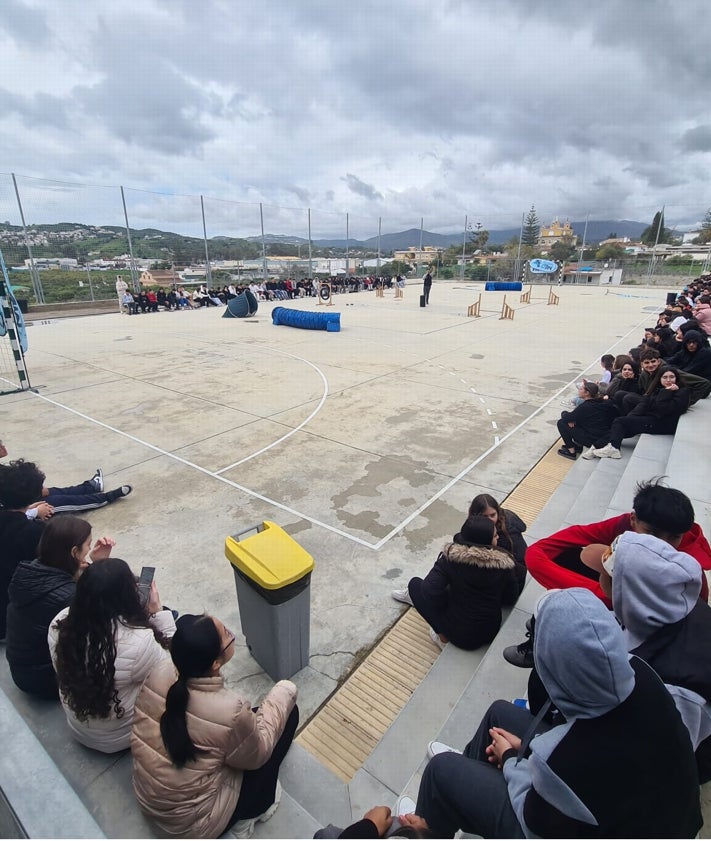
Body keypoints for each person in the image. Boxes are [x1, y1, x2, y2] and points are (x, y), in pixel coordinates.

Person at [414, 588, 702, 838]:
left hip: (557, 821)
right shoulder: (643, 673)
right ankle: (465, 785)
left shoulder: (562, 759)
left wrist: (514, 760)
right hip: (656, 815)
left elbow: (536, 824)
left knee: (441, 770)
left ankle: (424, 830)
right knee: (499, 713)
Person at [504, 478, 711, 667]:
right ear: (633, 519)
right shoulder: (624, 526)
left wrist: (591, 598)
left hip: (648, 638)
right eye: (651, 533)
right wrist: (598, 594)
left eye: (674, 537)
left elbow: (687, 626)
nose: (661, 545)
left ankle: (547, 639)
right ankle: (545, 627)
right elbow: (540, 551)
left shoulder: (691, 575)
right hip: (617, 602)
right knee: (567, 559)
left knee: (559, 607)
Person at [131, 614, 298, 839]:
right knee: (287, 717)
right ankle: (251, 814)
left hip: (151, 801)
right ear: (215, 663)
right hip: (193, 824)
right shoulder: (230, 710)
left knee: (246, 732)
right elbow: (258, 755)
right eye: (227, 635)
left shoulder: (159, 671)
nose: (231, 634)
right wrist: (285, 690)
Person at [49, 557, 176, 753]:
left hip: (79, 727)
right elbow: (174, 669)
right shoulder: (140, 642)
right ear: (126, 597)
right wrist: (158, 612)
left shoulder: (59, 622)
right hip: (122, 736)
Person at [5, 515, 114, 699]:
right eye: (87, 545)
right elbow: (108, 613)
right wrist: (100, 566)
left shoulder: (29, 570)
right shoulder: (68, 596)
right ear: (74, 552)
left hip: (21, 668)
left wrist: (85, 570)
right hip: (44, 678)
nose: (89, 549)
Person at [391, 516, 520, 650]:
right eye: (494, 535)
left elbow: (429, 590)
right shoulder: (505, 565)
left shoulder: (451, 559)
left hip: (459, 635)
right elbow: (510, 597)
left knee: (415, 585)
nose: (498, 537)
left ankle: (442, 637)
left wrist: (442, 605)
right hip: (490, 631)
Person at [590, 365, 690, 459]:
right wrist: (633, 416)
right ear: (660, 379)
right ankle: (596, 446)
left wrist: (667, 392)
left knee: (619, 421)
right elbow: (648, 403)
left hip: (664, 424)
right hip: (654, 418)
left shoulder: (681, 392)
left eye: (672, 377)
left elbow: (663, 409)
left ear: (677, 378)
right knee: (620, 428)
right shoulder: (660, 389)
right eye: (665, 377)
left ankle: (614, 449)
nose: (668, 380)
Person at [468, 493, 527, 591]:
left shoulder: (508, 533)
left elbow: (520, 562)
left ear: (498, 512)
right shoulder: (476, 528)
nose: (490, 520)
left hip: (512, 579)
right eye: (485, 516)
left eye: (492, 515)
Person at [555, 381, 615, 460]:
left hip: (592, 439)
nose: (579, 390)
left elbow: (567, 418)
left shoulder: (585, 407)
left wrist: (565, 414)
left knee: (561, 423)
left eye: (581, 389)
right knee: (574, 420)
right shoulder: (601, 402)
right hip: (602, 436)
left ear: (587, 393)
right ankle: (577, 446)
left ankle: (571, 452)